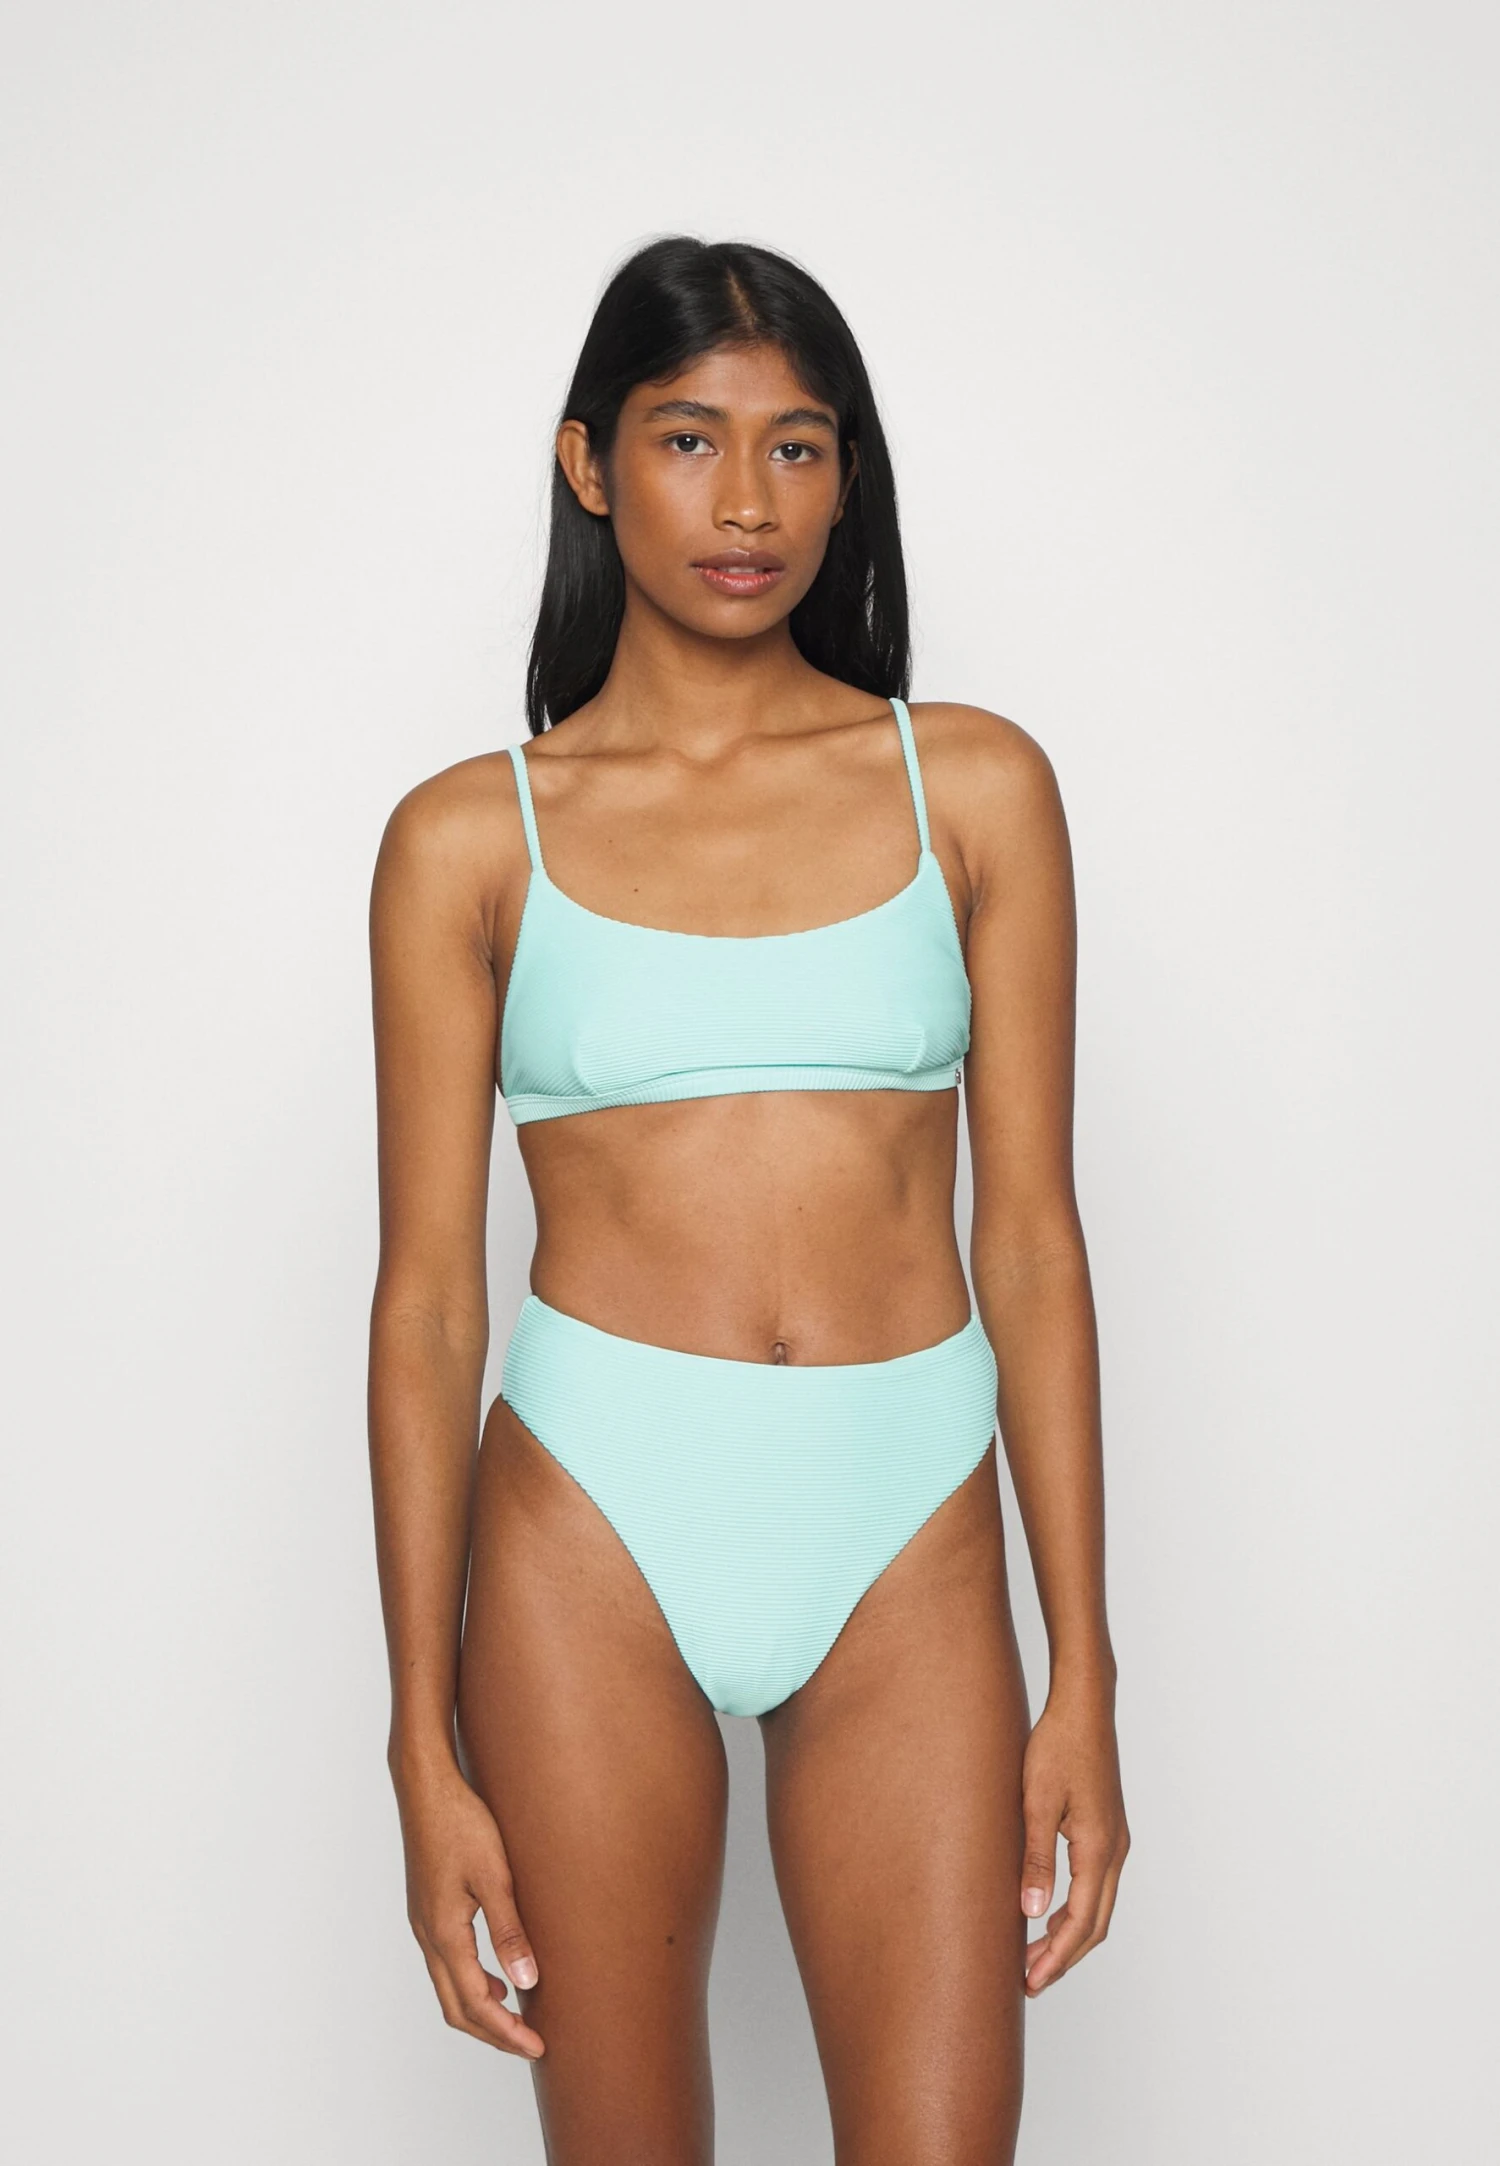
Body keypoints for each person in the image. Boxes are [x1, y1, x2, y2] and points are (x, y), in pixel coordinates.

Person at [366, 235, 1128, 2163]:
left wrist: (1087, 1673)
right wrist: (417, 1745)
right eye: (689, 438)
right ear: (588, 462)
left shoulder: (974, 789)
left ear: (847, 478)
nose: (746, 502)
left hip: (906, 1512)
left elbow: (1032, 1241)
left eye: (798, 447)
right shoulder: (467, 838)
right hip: (590, 1526)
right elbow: (430, 1303)